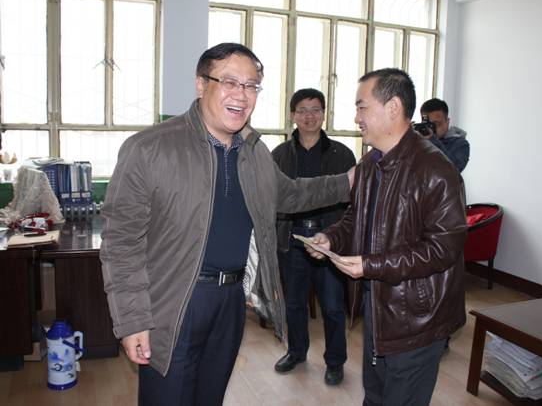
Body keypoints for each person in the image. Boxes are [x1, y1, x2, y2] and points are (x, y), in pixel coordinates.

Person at [100, 43, 353, 406]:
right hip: (174, 301)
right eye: (230, 82)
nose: (242, 94)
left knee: (211, 397)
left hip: (231, 300)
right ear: (201, 84)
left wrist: (349, 181)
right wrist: (132, 319)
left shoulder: (254, 152)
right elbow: (121, 242)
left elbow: (291, 194)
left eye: (251, 85)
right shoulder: (151, 148)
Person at [306, 68, 467, 406]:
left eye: (362, 107)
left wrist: (371, 265)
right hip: (379, 307)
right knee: (376, 396)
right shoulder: (369, 164)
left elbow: (443, 249)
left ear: (393, 107)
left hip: (417, 318)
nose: (356, 118)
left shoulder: (435, 169)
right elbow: (355, 219)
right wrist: (330, 238)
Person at [272, 88, 356, 385]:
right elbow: (273, 198)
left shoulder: (342, 154)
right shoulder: (279, 155)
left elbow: (352, 203)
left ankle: (335, 361)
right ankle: (296, 352)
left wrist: (338, 237)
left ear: (324, 114)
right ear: (292, 115)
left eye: (315, 110)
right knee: (294, 304)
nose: (309, 116)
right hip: (291, 238)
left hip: (328, 239)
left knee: (332, 306)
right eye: (302, 110)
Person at [420, 98, 470, 172]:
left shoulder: (460, 144)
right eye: (428, 124)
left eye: (436, 124)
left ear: (447, 121)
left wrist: (432, 140)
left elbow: (454, 169)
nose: (432, 128)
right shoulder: (420, 139)